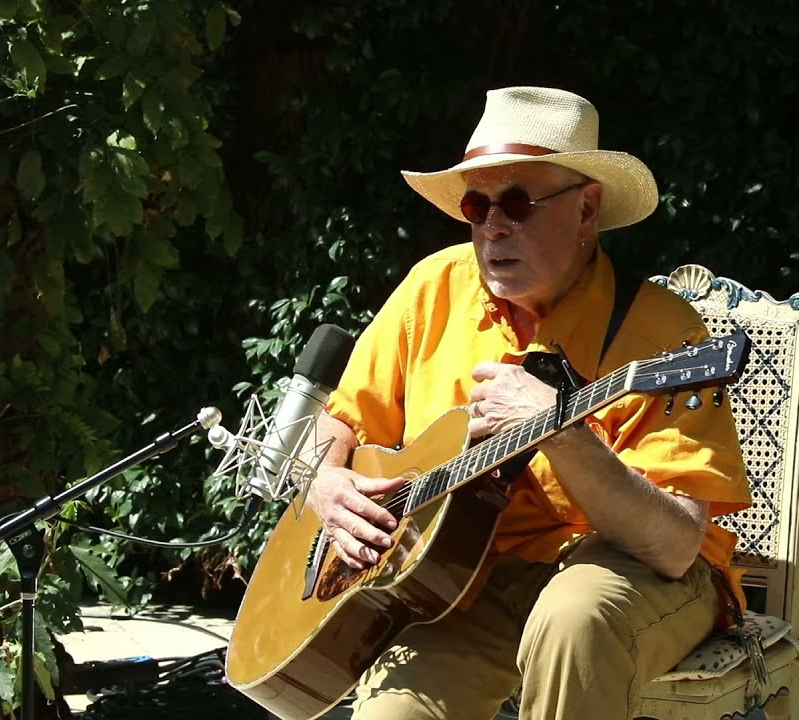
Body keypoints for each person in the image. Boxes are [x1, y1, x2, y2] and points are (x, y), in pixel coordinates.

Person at [306, 86, 752, 720]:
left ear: (587, 209)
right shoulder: (434, 287)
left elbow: (676, 545)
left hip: (626, 580)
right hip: (467, 583)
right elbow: (341, 421)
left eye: (516, 203)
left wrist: (560, 432)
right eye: (476, 205)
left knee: (571, 620)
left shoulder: (664, 335)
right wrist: (326, 483)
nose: (493, 226)